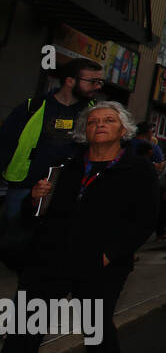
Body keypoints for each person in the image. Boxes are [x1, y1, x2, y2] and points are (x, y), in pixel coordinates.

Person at [0, 101, 159, 353]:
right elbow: (34, 217)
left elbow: (145, 219)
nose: (99, 125)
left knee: (95, 328)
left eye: (108, 120)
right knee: (21, 336)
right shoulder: (66, 165)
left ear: (123, 130)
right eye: (93, 121)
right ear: (84, 131)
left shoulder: (138, 170)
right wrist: (34, 199)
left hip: (99, 264)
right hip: (48, 261)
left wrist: (110, 254)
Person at [0, 57, 103, 239]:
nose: (98, 86)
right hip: (24, 187)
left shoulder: (96, 115)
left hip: (68, 193)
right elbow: (5, 144)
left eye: (100, 81)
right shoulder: (33, 107)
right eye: (93, 81)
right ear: (70, 81)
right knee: (14, 239)